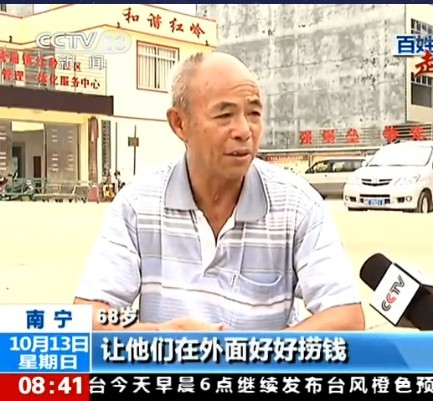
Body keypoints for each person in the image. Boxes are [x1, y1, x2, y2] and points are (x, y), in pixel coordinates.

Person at [74, 52, 365, 332]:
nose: (244, 130)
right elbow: (89, 314)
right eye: (225, 115)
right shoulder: (138, 204)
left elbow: (345, 317)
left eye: (254, 113)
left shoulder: (297, 205)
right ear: (179, 123)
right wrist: (159, 333)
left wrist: (246, 353)